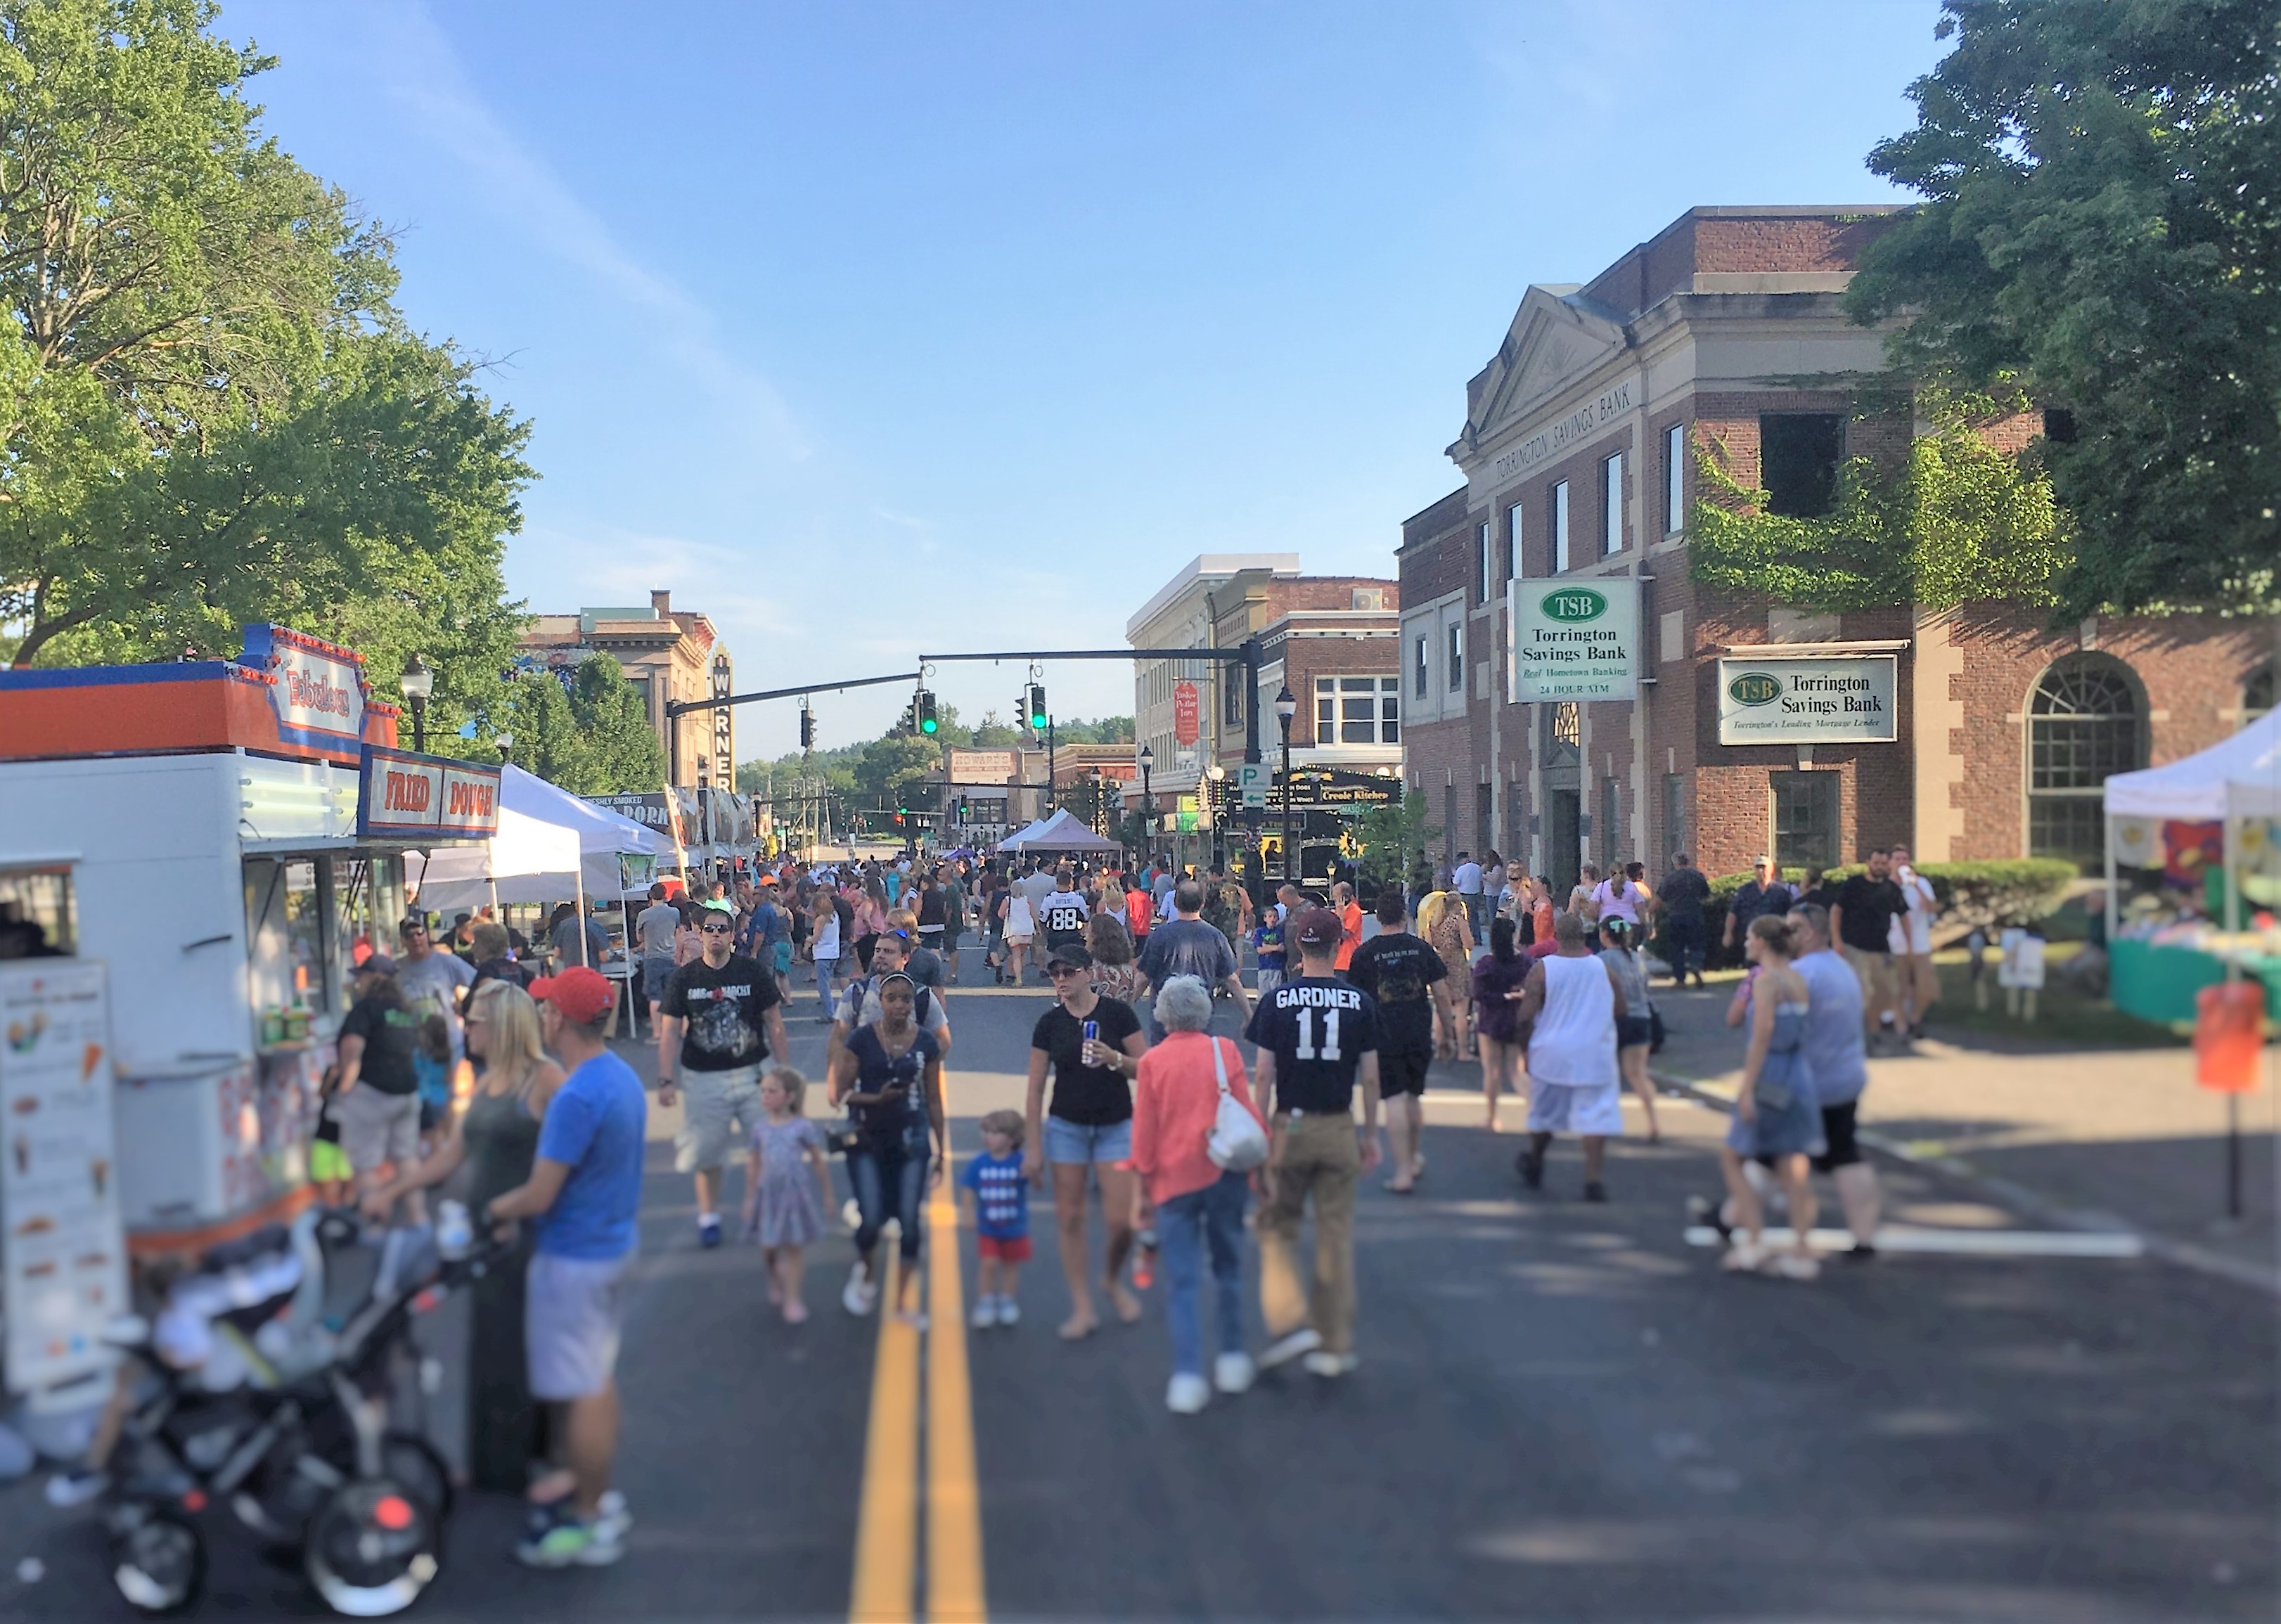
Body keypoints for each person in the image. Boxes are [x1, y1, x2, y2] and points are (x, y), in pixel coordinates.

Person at [364, 979, 563, 1493]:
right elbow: (452, 1154)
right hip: (487, 1238)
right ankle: (495, 1466)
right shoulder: (487, 1079)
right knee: (491, 1350)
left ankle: (532, 1462)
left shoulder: (544, 1080)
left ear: (500, 1025)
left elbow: (578, 1155)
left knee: (523, 1352)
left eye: (472, 1020)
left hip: (526, 1236)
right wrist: (392, 1190)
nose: (464, 1027)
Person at [486, 967, 645, 1567]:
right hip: (610, 1246)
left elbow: (538, 1195)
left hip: (575, 1259)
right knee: (596, 1383)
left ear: (558, 1019)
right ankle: (598, 1497)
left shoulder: (576, 1095)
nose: (542, 1016)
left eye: (546, 1008)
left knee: (581, 1392)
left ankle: (589, 1520)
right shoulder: (618, 1077)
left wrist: (491, 1208)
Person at [1245, 908, 1382, 1378]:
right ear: (1339, 942)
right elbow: (1369, 1076)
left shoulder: (1276, 1001)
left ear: (1298, 947)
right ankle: (1332, 1342)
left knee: (1278, 1228)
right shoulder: (1359, 1003)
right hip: (1338, 1123)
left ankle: (1287, 1324)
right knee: (1334, 1235)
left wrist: (1259, 1129)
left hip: (1291, 1124)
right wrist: (1370, 1134)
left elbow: (1263, 1074)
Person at [1131, 975, 1266, 1413]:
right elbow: (1246, 1110)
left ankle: (1188, 1376)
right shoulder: (1222, 1051)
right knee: (1227, 1268)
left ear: (1163, 1014)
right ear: (1205, 1012)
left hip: (1173, 1180)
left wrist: (1141, 1191)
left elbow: (1145, 1134)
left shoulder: (1153, 1062)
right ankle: (1231, 1358)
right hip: (1224, 1172)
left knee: (1183, 1280)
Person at [1024, 942, 1149, 1338]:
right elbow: (1035, 1087)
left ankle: (1111, 1280)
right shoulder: (1050, 1024)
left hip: (1115, 1124)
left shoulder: (1117, 1014)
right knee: (1072, 1217)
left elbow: (1148, 1070)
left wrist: (1114, 1059)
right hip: (1067, 1126)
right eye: (1054, 974)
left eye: (1067, 972)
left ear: (1087, 973)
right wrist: (1032, 1146)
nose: (1060, 980)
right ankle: (1082, 1306)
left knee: (1121, 1220)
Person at [657, 900, 790, 1249]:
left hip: (753, 1073)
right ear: (700, 935)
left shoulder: (751, 972)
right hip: (704, 1077)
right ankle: (709, 1216)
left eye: (722, 930)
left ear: (733, 935)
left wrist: (783, 1072)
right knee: (708, 1153)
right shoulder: (684, 978)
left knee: (764, 1148)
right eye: (710, 930)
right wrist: (666, 1078)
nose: (716, 936)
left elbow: (774, 1023)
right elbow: (670, 1031)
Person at [829, 972, 946, 1323]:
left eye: (905, 999)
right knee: (872, 1220)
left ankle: (900, 1305)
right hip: (868, 1139)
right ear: (880, 1002)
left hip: (912, 1138)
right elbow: (841, 1094)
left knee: (909, 1222)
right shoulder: (861, 1040)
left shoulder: (926, 1043)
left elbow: (935, 1100)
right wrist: (875, 1098)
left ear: (913, 1004)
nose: (899, 1005)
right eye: (891, 998)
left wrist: (942, 1151)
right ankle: (865, 1272)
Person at [1716, 915, 1823, 1280]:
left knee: (1733, 1157)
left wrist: (1746, 1089)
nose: (1746, 942)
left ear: (1761, 941)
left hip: (1770, 1076)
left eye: (1749, 937)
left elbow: (1761, 1037)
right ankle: (1802, 1250)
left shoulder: (1765, 983)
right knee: (1794, 1167)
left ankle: (1755, 1241)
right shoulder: (1798, 979)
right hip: (1799, 1075)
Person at [1513, 911, 1628, 1201]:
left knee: (1545, 1115)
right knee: (1595, 1118)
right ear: (1583, 935)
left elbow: (1526, 1016)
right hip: (1594, 1052)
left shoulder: (1543, 970)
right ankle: (1593, 1179)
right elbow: (1621, 1009)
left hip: (1552, 1053)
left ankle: (1536, 1157)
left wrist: (1524, 1048)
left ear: (1557, 938)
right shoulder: (1603, 969)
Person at [1788, 901, 1882, 1256]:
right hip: (1846, 1076)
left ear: (1809, 932)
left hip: (1812, 1082)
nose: (1786, 935)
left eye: (1792, 928)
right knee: (1846, 1155)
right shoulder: (1843, 970)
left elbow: (1783, 1029)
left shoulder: (1802, 974)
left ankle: (1749, 1224)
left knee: (1772, 1156)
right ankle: (1865, 1237)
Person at [1345, 888, 1450, 1194]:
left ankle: (1403, 1169)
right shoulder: (1420, 949)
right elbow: (1442, 994)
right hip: (1418, 1028)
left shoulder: (1365, 954)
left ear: (1378, 916)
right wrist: (1449, 1033)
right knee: (1414, 1096)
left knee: (1393, 1098)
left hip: (1383, 1033)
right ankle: (1414, 1156)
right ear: (1405, 915)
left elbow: (1358, 1000)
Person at [333, 955, 427, 1225]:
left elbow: (352, 1051)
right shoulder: (406, 1009)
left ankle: (375, 1228)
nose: (357, 981)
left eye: (361, 976)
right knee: (407, 1158)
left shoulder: (366, 1009)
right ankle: (419, 1220)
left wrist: (344, 1090)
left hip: (370, 1094)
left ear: (374, 978)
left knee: (365, 1165)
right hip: (407, 1092)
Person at [740, 1066, 832, 1324]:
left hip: (794, 1195)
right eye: (763, 1091)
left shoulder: (801, 1127)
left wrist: (827, 1196)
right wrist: (749, 1198)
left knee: (793, 1247)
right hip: (767, 1196)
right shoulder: (759, 1129)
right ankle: (774, 1276)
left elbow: (817, 1161)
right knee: (769, 1247)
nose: (765, 1096)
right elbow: (753, 1163)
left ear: (789, 1097)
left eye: (772, 1091)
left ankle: (793, 1299)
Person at [1134, 880, 1250, 1041]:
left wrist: (1126, 1006)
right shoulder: (1215, 936)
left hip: (1165, 1018)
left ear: (1176, 903)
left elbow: (1143, 979)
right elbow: (1232, 979)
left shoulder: (1160, 935)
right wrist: (1249, 1015)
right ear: (1202, 903)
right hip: (1199, 1017)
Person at [1831, 849, 1908, 1050]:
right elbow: (1836, 911)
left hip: (1881, 948)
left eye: (1884, 864)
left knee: (1885, 993)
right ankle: (1859, 1037)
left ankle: (1877, 1033)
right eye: (1876, 863)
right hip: (1855, 947)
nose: (1880, 867)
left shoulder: (1891, 889)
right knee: (1863, 993)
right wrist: (1837, 940)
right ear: (1868, 863)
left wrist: (1909, 944)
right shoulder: (1854, 885)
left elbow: (1904, 915)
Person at [960, 1109, 1031, 1329]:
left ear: (1012, 1139)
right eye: (986, 1132)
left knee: (1011, 1266)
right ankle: (985, 1301)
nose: (987, 1137)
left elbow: (1034, 1182)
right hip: (988, 1227)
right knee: (989, 1264)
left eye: (995, 1133)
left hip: (1015, 1226)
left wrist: (1034, 1171)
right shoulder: (979, 1163)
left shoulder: (1020, 1162)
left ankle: (1007, 1300)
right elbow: (968, 1189)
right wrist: (968, 1213)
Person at [1598, 917, 1662, 1142]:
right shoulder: (1636, 958)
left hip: (1615, 1020)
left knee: (1606, 1073)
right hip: (1642, 1018)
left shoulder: (1602, 960)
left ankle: (1604, 1122)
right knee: (1637, 1073)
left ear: (1605, 934)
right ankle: (1653, 1121)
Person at [1472, 917, 1531, 1133]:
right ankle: (1538, 1109)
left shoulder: (1486, 964)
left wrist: (1503, 996)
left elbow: (1478, 994)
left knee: (1492, 1071)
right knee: (1517, 1071)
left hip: (1492, 1020)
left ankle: (1492, 1117)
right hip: (1516, 1017)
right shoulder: (1524, 962)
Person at [396, 914, 477, 1062]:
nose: (416, 938)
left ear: (427, 935)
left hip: (449, 1044)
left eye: (420, 932)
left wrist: (465, 1006)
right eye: (409, 935)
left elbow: (479, 983)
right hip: (414, 1047)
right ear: (402, 941)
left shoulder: (448, 962)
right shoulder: (396, 970)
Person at [1887, 844, 1939, 1038]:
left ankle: (1915, 1019)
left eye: (1905, 859)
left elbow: (1932, 909)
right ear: (1891, 863)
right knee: (1898, 989)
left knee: (1926, 988)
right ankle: (1901, 1027)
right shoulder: (1886, 885)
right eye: (1898, 859)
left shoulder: (1921, 883)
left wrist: (1916, 885)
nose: (1902, 863)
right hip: (1895, 946)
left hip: (1920, 945)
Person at [1419, 887, 1475, 1060]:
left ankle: (1440, 1049)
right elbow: (1469, 944)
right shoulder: (1459, 921)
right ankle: (1463, 1052)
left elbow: (1427, 944)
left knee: (1439, 1009)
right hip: (1457, 965)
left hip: (1439, 966)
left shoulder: (1434, 922)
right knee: (1460, 1009)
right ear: (1458, 905)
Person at [1723, 859, 1794, 968]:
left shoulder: (1781, 892)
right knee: (1753, 969)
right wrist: (1728, 933)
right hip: (1752, 937)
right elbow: (1733, 913)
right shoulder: (1745, 891)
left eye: (1763, 867)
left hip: (1773, 938)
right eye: (1758, 868)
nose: (1760, 871)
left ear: (1771, 870)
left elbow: (1790, 915)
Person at [1654, 853, 1712, 987]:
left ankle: (1680, 980)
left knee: (1677, 948)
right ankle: (1696, 965)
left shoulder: (1669, 879)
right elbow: (1706, 896)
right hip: (1695, 915)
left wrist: (1650, 911)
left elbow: (1659, 899)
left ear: (1675, 863)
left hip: (1675, 916)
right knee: (1697, 944)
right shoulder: (1698, 876)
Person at [634, 882, 680, 1026]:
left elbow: (640, 939)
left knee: (655, 996)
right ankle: (671, 1025)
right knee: (671, 993)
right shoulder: (674, 912)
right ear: (665, 894)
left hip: (652, 957)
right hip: (671, 956)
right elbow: (676, 931)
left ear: (651, 896)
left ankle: (657, 1030)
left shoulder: (643, 915)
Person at [1086, 913, 1144, 1004]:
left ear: (1095, 938)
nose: (1086, 937)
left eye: (1088, 933)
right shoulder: (1128, 971)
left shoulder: (1091, 972)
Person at [808, 884, 844, 1019]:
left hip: (822, 954)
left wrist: (808, 939)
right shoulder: (835, 916)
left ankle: (830, 1013)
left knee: (823, 985)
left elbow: (816, 939)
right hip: (834, 952)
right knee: (828, 981)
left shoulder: (820, 919)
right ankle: (829, 1007)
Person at [1037, 868, 1090, 958]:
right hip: (1073, 937)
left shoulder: (1050, 899)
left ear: (1057, 882)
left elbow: (1042, 920)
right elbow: (1086, 918)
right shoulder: (1077, 898)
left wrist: (1046, 935)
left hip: (1055, 938)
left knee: (1055, 963)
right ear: (1070, 882)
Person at [1001, 879, 1036, 987]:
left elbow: (1000, 914)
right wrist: (1037, 928)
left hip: (1014, 930)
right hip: (1027, 930)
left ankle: (1018, 979)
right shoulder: (1027, 900)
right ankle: (1020, 972)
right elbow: (1034, 914)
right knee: (1022, 954)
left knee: (1016, 955)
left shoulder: (1008, 900)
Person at [1251, 903, 1287, 1001]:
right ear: (1265, 918)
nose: (1273, 919)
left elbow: (1282, 948)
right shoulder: (1260, 932)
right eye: (1270, 916)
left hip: (1277, 967)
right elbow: (1260, 950)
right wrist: (1275, 948)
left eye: (1275, 916)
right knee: (1263, 995)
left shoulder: (1280, 931)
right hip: (1264, 967)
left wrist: (1267, 946)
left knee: (1276, 994)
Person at [1331, 880, 1364, 974]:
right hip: (1335, 960)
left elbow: (1345, 935)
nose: (1334, 899)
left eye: (1336, 896)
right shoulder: (1335, 912)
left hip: (1347, 960)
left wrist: (1341, 918)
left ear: (1344, 897)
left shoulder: (1354, 912)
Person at [1452, 849, 1484, 938]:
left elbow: (1456, 884)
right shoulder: (1478, 868)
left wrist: (1455, 896)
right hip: (1475, 894)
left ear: (1463, 859)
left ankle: (1466, 937)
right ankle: (1477, 937)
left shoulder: (1461, 869)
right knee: (1475, 917)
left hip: (1464, 895)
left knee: (1464, 917)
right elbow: (1481, 881)